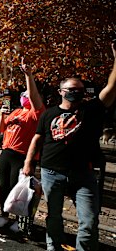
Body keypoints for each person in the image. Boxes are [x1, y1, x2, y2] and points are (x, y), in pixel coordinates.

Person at [23, 45, 116, 251]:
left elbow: (112, 87)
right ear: (61, 92)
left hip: (84, 174)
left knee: (89, 221)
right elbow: (37, 139)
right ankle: (53, 247)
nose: (77, 93)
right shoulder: (48, 114)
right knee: (53, 216)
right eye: (72, 89)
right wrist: (28, 162)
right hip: (51, 173)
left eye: (80, 90)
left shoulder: (91, 110)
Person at [0, 59, 45, 233]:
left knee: (22, 190)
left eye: (26, 95)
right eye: (22, 95)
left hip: (23, 156)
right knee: (4, 186)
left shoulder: (36, 113)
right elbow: (2, 129)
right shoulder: (15, 111)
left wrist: (28, 76)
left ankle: (20, 220)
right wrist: (1, 115)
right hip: (6, 153)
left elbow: (34, 97)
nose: (24, 97)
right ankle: (4, 215)